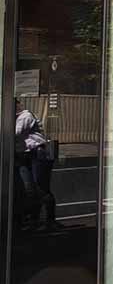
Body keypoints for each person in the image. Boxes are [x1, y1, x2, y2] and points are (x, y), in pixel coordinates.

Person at [14, 98, 56, 230]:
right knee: (29, 189)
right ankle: (34, 219)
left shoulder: (25, 115)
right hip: (23, 155)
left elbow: (16, 132)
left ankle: (50, 220)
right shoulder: (13, 119)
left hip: (37, 153)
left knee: (41, 187)